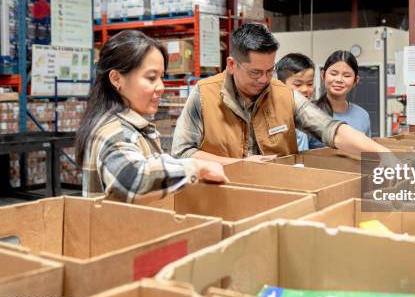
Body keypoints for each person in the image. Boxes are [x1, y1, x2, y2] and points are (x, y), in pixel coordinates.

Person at [172, 23, 390, 164]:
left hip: (279, 196)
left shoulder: (284, 95)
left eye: (270, 70)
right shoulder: (203, 95)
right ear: (232, 64)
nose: (265, 80)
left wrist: (385, 155)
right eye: (256, 72)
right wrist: (238, 165)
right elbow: (182, 153)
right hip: (222, 198)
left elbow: (331, 130)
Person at [75, 30, 228, 203]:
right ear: (116, 78)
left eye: (161, 77)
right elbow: (132, 181)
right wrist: (196, 168)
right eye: (151, 78)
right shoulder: (113, 132)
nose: (161, 87)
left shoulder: (133, 127)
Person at [309, 50, 371, 149]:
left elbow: (367, 154)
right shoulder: (309, 113)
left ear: (356, 81)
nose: (339, 80)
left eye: (346, 76)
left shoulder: (362, 116)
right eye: (333, 74)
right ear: (323, 75)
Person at [275, 53, 315, 151]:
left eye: (310, 84)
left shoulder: (309, 115)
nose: (306, 89)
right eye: (298, 84)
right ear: (281, 84)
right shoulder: (274, 116)